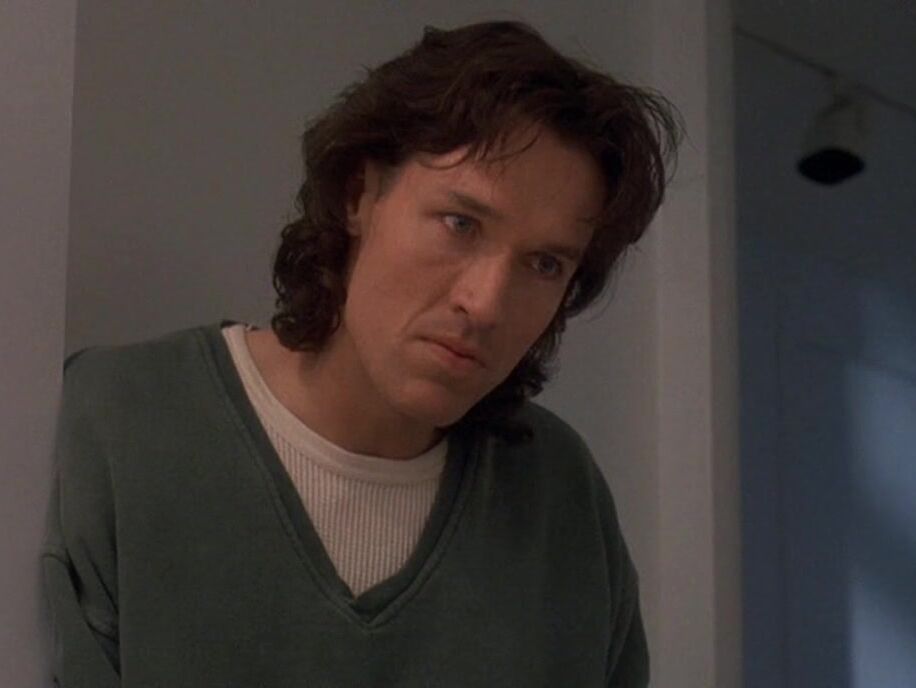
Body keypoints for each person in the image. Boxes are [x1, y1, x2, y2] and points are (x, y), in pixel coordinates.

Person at [42, 20, 678, 687]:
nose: (486, 303)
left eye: (545, 264)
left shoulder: (560, 498)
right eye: (460, 224)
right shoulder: (122, 422)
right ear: (360, 196)